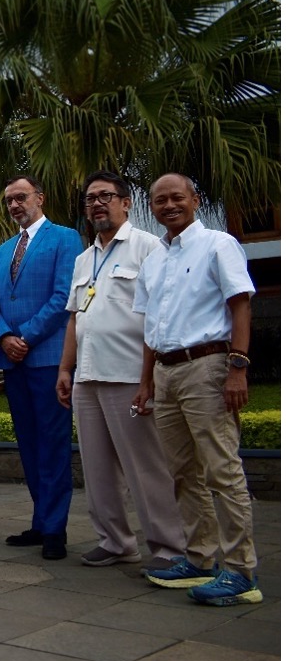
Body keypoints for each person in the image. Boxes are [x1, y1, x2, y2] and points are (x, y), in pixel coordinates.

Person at [134, 173, 261, 606]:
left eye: (177, 197)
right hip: (166, 372)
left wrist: (238, 367)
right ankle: (199, 558)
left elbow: (240, 304)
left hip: (207, 366)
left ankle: (240, 571)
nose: (168, 205)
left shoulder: (218, 245)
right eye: (159, 200)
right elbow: (150, 327)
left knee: (222, 470)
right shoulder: (155, 260)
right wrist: (146, 381)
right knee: (183, 472)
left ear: (195, 200)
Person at [55, 172, 185, 569]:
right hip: (88, 376)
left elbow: (157, 315)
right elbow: (75, 317)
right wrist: (65, 369)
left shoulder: (148, 248)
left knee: (145, 467)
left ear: (126, 203)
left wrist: (148, 377)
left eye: (106, 196)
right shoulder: (85, 258)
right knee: (97, 469)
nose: (97, 203)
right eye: (90, 198)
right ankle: (115, 541)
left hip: (128, 374)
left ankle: (168, 547)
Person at [0, 175, 83, 560]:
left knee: (53, 444)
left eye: (21, 197)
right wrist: (3, 337)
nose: (14, 205)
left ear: (40, 198)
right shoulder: (2, 251)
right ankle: (40, 520)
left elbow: (64, 296)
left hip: (48, 358)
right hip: (13, 363)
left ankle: (56, 529)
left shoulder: (65, 238)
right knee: (28, 444)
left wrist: (24, 337)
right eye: (9, 200)